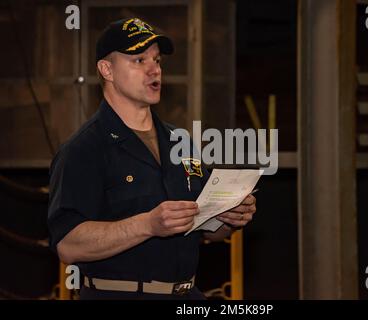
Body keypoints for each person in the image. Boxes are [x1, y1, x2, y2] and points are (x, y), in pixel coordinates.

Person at [47, 17, 257, 300]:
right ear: (106, 69)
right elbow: (68, 245)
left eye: (157, 60)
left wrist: (227, 217)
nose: (154, 70)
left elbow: (206, 229)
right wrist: (147, 224)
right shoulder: (83, 149)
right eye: (138, 60)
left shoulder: (180, 143)